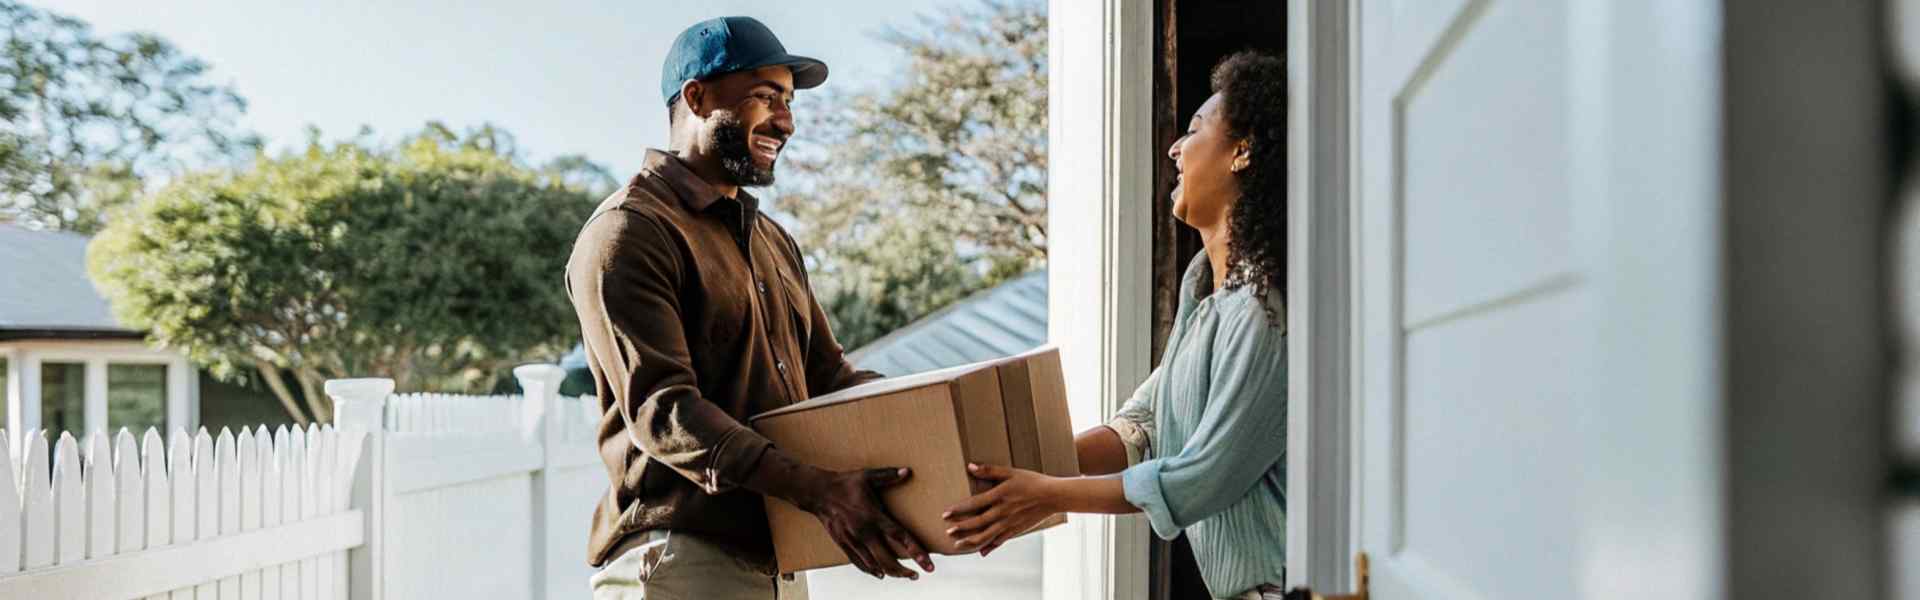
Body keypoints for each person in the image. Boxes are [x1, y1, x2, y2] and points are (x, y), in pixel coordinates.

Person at [567, 16, 934, 600]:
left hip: (780, 558)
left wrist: (934, 433)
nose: (785, 121)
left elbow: (829, 379)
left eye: (788, 102)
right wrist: (818, 490)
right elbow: (665, 411)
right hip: (681, 561)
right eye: (765, 97)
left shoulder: (773, 241)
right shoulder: (629, 233)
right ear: (697, 96)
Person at [941, 50, 1291, 600]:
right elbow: (1144, 426)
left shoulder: (1261, 310)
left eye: (1196, 129)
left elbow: (1204, 476)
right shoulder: (1206, 295)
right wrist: (1007, 471)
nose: (1176, 147)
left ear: (1242, 152)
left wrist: (1049, 493)